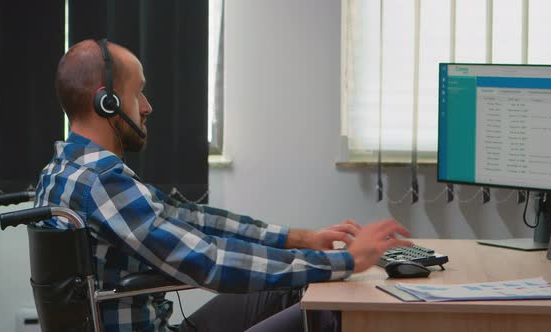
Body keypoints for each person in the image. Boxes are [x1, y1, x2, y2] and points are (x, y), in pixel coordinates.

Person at [34, 39, 413, 332]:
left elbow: (191, 218)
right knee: (327, 312)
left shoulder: (63, 170)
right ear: (108, 101)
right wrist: (346, 261)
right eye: (139, 93)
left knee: (290, 289)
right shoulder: (101, 184)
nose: (147, 106)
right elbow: (209, 262)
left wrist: (302, 239)